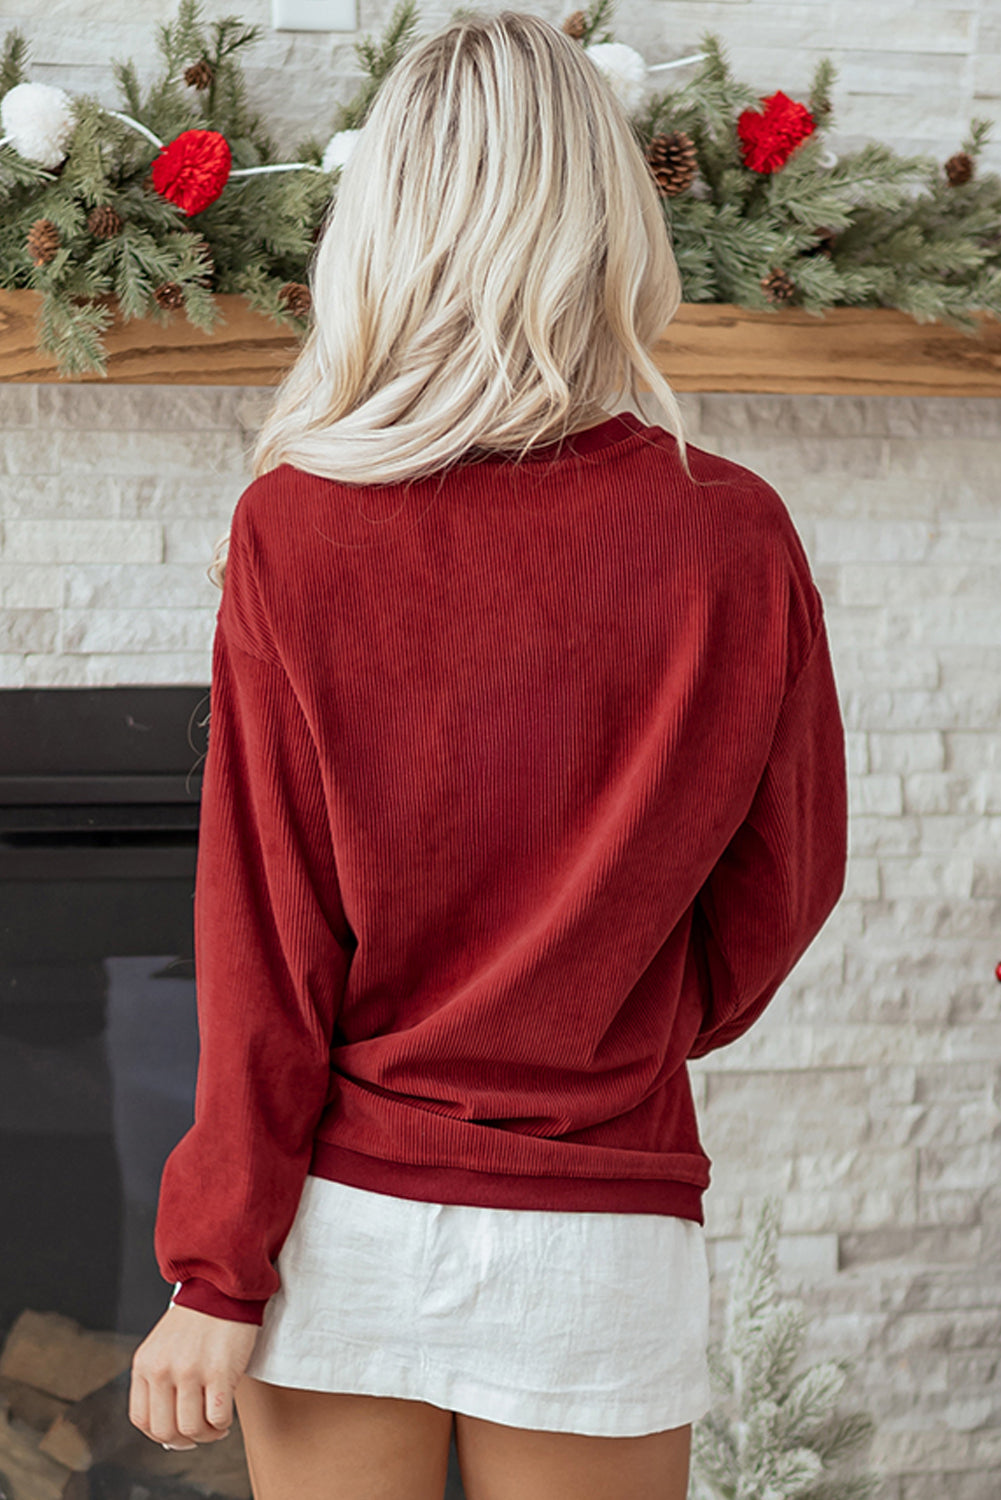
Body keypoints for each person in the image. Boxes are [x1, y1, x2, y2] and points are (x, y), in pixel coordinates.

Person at [128, 10, 849, 1499]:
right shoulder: (734, 534)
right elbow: (786, 889)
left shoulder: (294, 526)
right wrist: (613, 1018)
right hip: (603, 1226)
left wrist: (217, 1266)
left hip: (341, 1223)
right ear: (610, 222)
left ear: (385, 224)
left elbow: (265, 936)